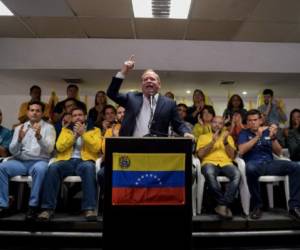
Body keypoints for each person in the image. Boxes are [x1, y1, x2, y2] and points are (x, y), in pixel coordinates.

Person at [37, 107, 102, 221]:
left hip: (85, 161)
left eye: (80, 114)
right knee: (53, 168)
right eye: (75, 115)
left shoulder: (95, 130)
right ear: (71, 118)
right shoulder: (66, 130)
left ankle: (89, 209)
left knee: (89, 168)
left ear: (85, 116)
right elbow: (59, 147)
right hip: (67, 161)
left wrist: (83, 134)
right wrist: (74, 137)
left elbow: (96, 148)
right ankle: (47, 209)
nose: (77, 117)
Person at [106, 55, 193, 139]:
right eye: (145, 79)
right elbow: (111, 93)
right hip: (131, 146)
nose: (148, 81)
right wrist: (123, 72)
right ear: (142, 85)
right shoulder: (131, 98)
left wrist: (186, 133)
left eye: (152, 79)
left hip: (156, 149)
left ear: (159, 85)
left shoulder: (169, 103)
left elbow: (178, 124)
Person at [238, 109, 300, 221]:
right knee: (250, 168)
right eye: (250, 120)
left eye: (255, 120)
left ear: (260, 120)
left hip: (270, 164)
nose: (253, 122)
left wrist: (273, 138)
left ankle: (294, 206)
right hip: (254, 164)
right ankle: (257, 206)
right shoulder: (244, 133)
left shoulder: (268, 132)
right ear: (247, 122)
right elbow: (241, 151)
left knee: (296, 167)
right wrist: (257, 136)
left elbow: (279, 152)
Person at [0, 101, 56, 219]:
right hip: (21, 162)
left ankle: (33, 206)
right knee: (2, 168)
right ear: (27, 112)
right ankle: (3, 205)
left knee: (40, 169)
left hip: (40, 161)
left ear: (42, 113)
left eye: (37, 111)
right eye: (32, 110)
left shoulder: (49, 128)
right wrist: (19, 140)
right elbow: (13, 151)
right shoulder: (19, 128)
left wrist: (39, 137)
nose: (34, 113)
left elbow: (50, 149)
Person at [197, 116, 240, 219]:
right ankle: (223, 204)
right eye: (215, 122)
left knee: (237, 174)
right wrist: (212, 142)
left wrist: (225, 142)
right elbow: (200, 155)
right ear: (210, 124)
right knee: (209, 174)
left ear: (223, 125)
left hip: (226, 163)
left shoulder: (228, 137)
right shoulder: (203, 137)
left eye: (220, 123)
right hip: (209, 162)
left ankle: (222, 205)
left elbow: (232, 156)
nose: (217, 125)